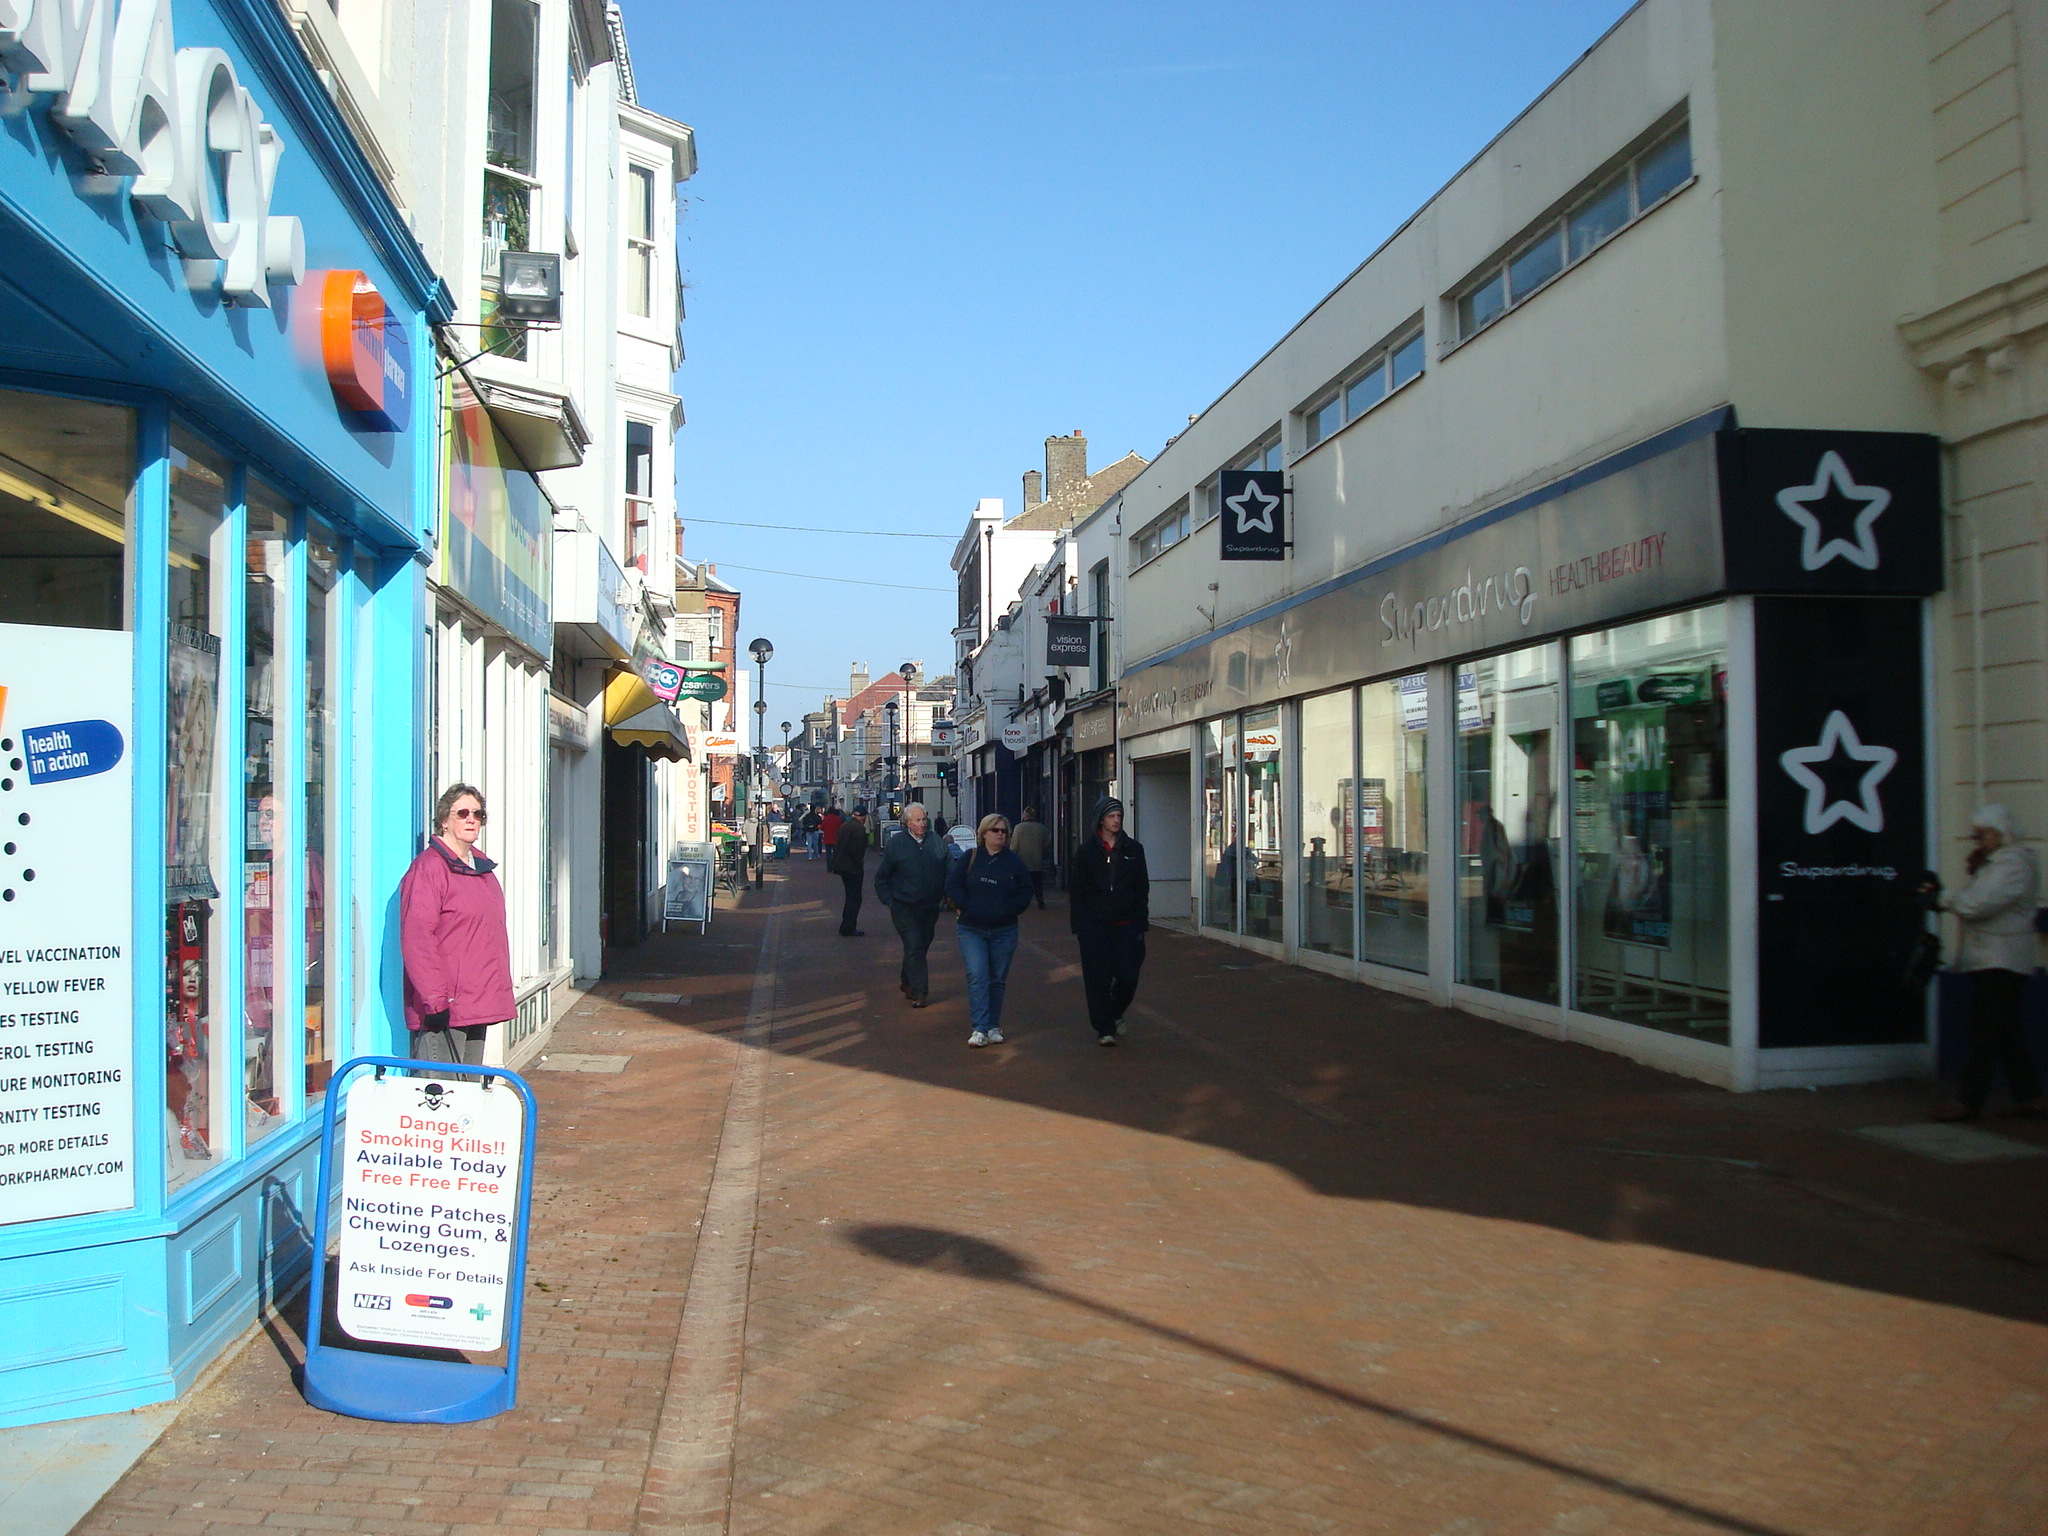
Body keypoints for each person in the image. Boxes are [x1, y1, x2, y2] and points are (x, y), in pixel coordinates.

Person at [1923, 805, 2043, 1122]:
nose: (1978, 840)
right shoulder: (1999, 863)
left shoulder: (2013, 864)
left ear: (2001, 833)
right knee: (2005, 1031)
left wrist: (1943, 899)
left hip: (2001, 959)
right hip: (1992, 957)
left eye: (1983, 834)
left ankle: (1969, 1102)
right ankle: (2030, 1097)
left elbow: (1976, 904)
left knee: (1986, 1032)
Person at [400, 784, 515, 1065]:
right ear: (444, 820)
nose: (471, 819)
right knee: (442, 1096)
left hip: (478, 1003)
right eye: (462, 813)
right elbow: (418, 938)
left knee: (469, 1094)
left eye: (478, 814)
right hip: (444, 1010)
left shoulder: (482, 870)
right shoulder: (429, 869)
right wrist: (435, 1000)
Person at [947, 814, 1034, 1047]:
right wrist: (966, 906)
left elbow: (1025, 891)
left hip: (1003, 930)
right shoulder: (971, 858)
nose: (1000, 835)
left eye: (1004, 831)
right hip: (971, 928)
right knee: (977, 975)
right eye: (995, 830)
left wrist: (1010, 910)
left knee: (997, 979)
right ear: (984, 832)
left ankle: (993, 1026)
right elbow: (953, 885)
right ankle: (979, 1028)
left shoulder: (1014, 862)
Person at [1068, 797, 1149, 1046]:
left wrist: (1139, 922)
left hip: (1127, 926)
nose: (1116, 821)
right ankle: (1104, 1028)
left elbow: (1141, 888)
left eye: (1119, 816)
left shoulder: (1134, 850)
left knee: (1128, 975)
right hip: (1095, 926)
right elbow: (1077, 890)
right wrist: (1080, 925)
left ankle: (1115, 1011)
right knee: (1097, 978)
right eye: (1112, 816)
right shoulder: (1086, 851)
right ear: (1101, 819)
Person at [874, 800, 952, 1006]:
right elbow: (882, 877)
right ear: (907, 823)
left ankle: (907, 980)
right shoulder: (896, 844)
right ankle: (920, 992)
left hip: (929, 906)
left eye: (924, 819)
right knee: (914, 945)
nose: (922, 824)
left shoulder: (936, 841)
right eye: (917, 820)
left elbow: (949, 869)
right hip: (903, 906)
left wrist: (951, 895)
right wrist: (889, 900)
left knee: (920, 946)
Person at [831, 808, 870, 936]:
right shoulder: (859, 829)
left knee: (850, 897)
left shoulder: (845, 826)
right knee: (855, 898)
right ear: (863, 817)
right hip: (852, 868)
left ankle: (846, 926)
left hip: (842, 866)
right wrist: (859, 865)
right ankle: (849, 927)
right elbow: (857, 850)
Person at [1011, 806, 1050, 909]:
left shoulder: (1018, 828)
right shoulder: (1041, 828)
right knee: (1038, 884)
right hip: (1037, 861)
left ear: (1025, 815)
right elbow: (1046, 844)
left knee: (1021, 884)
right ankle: (1040, 901)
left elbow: (1014, 846)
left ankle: (1021, 902)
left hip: (1022, 862)